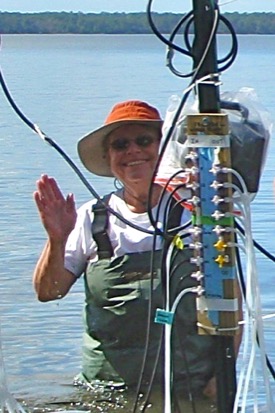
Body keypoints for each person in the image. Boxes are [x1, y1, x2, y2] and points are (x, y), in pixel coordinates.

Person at [33, 100, 242, 410]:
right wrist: (57, 239)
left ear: (163, 149)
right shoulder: (91, 218)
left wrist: (223, 375)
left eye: (143, 140)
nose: (133, 151)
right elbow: (48, 291)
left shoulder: (198, 213)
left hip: (188, 390)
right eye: (120, 144)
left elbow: (232, 303)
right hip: (107, 393)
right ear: (108, 157)